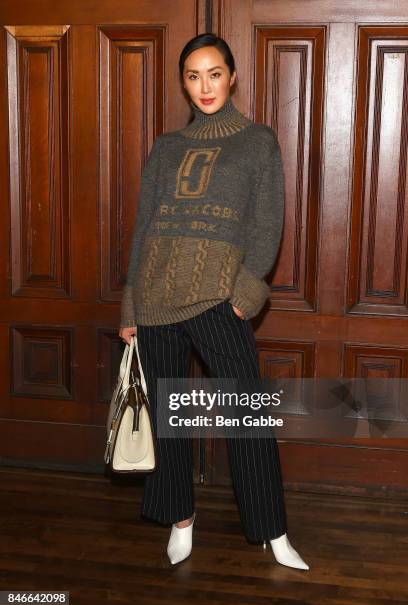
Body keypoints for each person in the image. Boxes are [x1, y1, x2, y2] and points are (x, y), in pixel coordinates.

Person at [119, 32, 309, 570]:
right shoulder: (166, 147)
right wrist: (131, 306)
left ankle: (273, 532)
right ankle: (181, 519)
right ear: (184, 84)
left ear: (232, 76)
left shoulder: (257, 142)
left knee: (248, 417)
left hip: (217, 300)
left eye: (214, 73)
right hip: (156, 300)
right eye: (193, 76)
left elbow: (268, 222)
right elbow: (144, 228)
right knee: (169, 421)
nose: (204, 86)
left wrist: (245, 296)